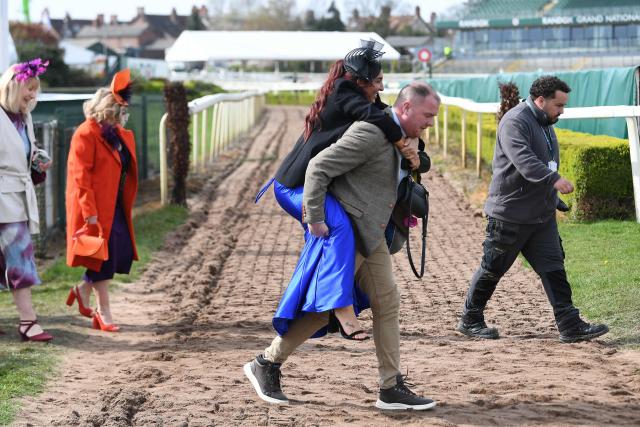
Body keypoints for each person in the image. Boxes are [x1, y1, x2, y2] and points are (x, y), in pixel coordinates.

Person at [244, 81, 440, 410]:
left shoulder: (403, 135)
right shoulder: (370, 133)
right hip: (346, 233)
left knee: (388, 301)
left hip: (372, 234)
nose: (431, 122)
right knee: (322, 310)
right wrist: (316, 219)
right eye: (427, 115)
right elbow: (319, 167)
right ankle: (266, 363)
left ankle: (390, 387)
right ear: (405, 108)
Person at [262, 39, 423, 341]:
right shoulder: (343, 92)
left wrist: (413, 139)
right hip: (295, 186)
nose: (380, 88)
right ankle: (342, 310)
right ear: (360, 81)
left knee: (344, 233)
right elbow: (377, 119)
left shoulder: (360, 94)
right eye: (377, 82)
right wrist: (402, 143)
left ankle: (334, 307)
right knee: (340, 230)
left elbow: (389, 116)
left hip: (316, 184)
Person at [456, 75, 609, 343]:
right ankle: (471, 319)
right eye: (558, 105)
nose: (562, 111)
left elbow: (545, 160)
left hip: (541, 217)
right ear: (541, 100)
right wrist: (555, 180)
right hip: (509, 216)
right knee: (493, 268)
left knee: (554, 268)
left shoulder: (545, 121)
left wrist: (553, 197)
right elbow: (525, 161)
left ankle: (569, 324)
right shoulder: (515, 121)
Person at [65, 69, 139, 332]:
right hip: (94, 208)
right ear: (108, 110)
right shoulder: (86, 133)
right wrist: (90, 215)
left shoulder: (114, 132)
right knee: (103, 258)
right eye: (120, 112)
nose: (123, 118)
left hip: (114, 205)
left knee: (117, 252)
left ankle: (83, 289)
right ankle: (103, 311)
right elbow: (80, 178)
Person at [0, 59, 53, 342]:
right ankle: (28, 322)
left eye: (35, 90)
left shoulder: (24, 118)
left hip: (15, 199)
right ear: (13, 85)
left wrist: (36, 160)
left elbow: (21, 154)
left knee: (19, 257)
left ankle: (27, 321)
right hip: (4, 197)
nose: (33, 95)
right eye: (29, 89)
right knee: (20, 258)